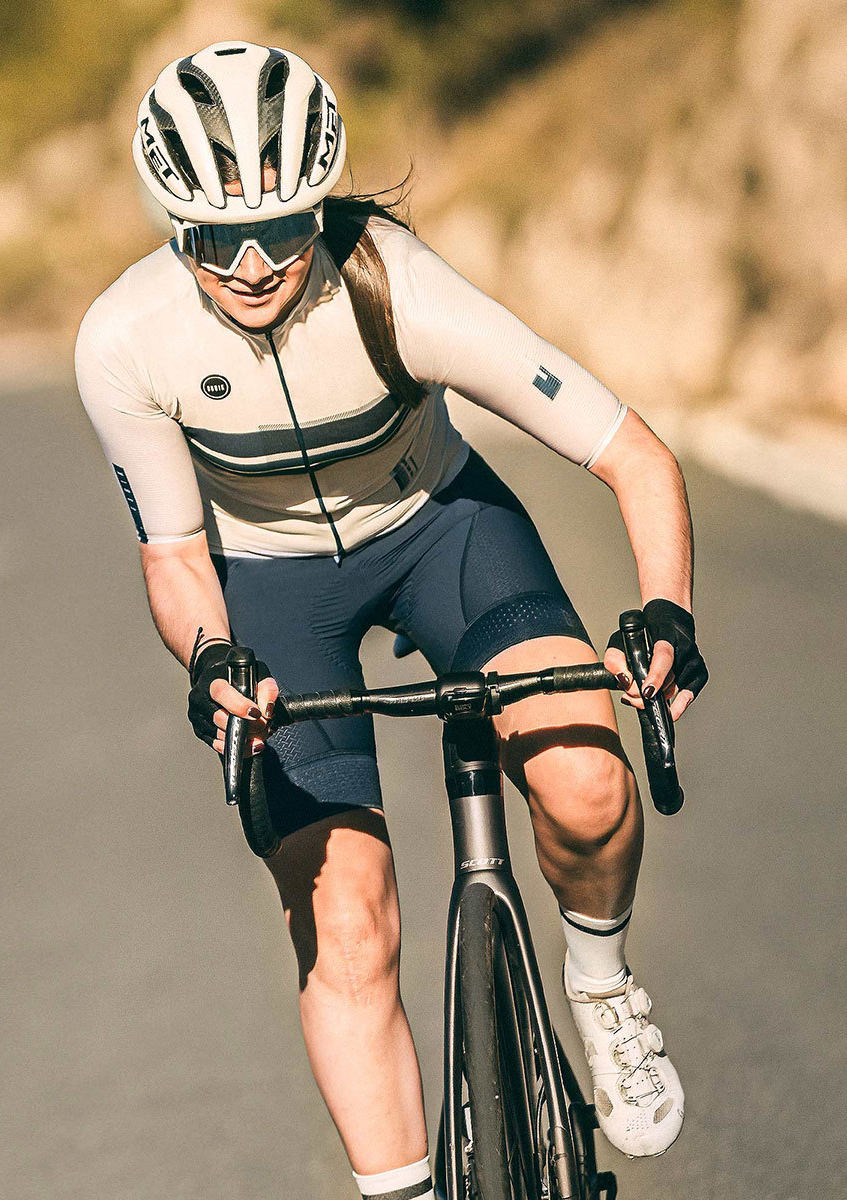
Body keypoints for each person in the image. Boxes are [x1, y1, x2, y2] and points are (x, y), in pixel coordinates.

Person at [75, 40, 709, 1199]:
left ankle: (603, 983)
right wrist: (212, 656)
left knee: (585, 780)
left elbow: (634, 454)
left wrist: (666, 610)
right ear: (174, 226)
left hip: (440, 531)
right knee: (346, 921)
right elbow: (174, 554)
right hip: (269, 582)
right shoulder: (126, 339)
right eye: (216, 238)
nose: (253, 266)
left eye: (282, 229)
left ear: (322, 208)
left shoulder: (398, 286)